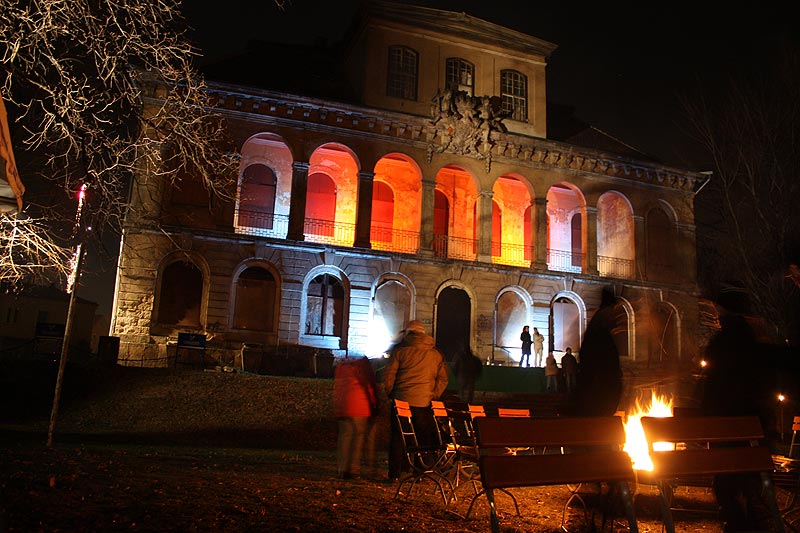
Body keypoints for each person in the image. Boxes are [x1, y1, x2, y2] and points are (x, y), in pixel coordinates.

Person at [383, 320, 449, 481]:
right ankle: (418, 472)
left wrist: (391, 393)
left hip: (401, 401)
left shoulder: (400, 352)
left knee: (398, 438)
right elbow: (443, 379)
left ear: (408, 334)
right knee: (422, 438)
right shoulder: (435, 355)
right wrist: (433, 394)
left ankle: (395, 474)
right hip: (423, 402)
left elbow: (389, 376)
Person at [572, 287, 623, 416]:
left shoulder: (598, 333)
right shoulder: (598, 336)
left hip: (598, 401)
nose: (615, 316)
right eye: (613, 311)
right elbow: (597, 370)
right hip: (598, 403)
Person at [333, 355, 378, 480]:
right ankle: (354, 469)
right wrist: (374, 402)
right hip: (360, 404)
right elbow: (368, 383)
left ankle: (342, 469)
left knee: (345, 437)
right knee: (358, 438)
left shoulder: (340, 365)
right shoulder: (362, 364)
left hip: (343, 405)